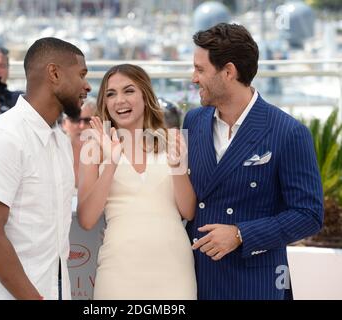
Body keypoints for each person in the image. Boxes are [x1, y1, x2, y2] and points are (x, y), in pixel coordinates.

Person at [185, 23, 323, 300]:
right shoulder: (193, 121)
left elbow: (308, 215)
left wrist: (240, 234)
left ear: (228, 72)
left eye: (200, 70)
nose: (193, 78)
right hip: (194, 279)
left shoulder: (288, 132)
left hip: (254, 284)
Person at [0, 37, 91, 300]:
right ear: (54, 73)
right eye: (81, 74)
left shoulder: (60, 141)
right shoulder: (3, 137)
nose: (87, 86)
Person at [77, 64, 197, 299]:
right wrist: (111, 162)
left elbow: (188, 211)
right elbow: (87, 219)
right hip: (118, 271)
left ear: (145, 94)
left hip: (174, 270)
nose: (119, 100)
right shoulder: (93, 147)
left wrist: (176, 166)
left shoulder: (172, 140)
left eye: (129, 91)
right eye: (111, 94)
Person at [61, 97, 96, 188]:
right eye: (75, 120)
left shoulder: (108, 158)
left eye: (87, 120)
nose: (81, 126)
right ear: (64, 124)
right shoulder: (54, 157)